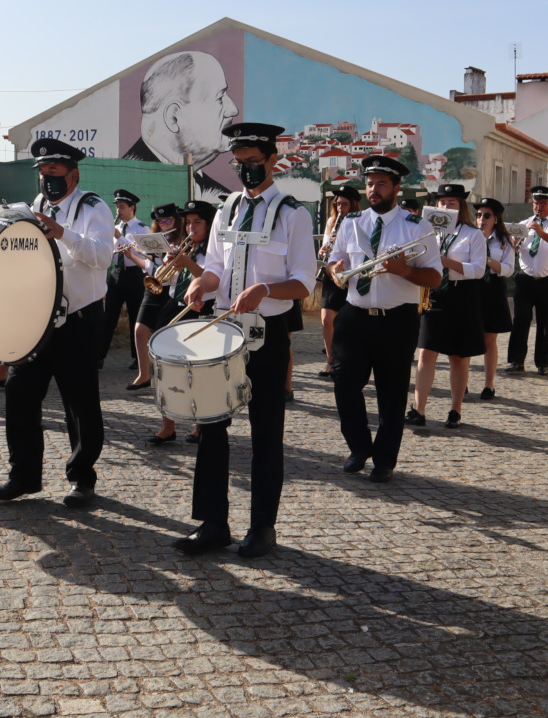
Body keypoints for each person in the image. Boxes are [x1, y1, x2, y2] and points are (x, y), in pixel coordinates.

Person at [171, 123, 316, 559]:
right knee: (211, 426)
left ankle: (262, 528)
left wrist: (266, 291)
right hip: (222, 331)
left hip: (266, 336)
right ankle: (213, 523)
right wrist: (202, 286)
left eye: (254, 163)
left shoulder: (294, 213)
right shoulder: (227, 209)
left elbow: (304, 282)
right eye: (240, 164)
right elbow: (215, 265)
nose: (246, 171)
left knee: (266, 432)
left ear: (273, 160)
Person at [0, 137, 112, 509]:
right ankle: (23, 475)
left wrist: (63, 234)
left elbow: (104, 256)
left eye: (54, 172)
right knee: (19, 392)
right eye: (42, 173)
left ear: (72, 174)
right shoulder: (35, 206)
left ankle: (82, 478)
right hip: (37, 317)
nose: (47, 179)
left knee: (79, 401)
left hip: (79, 317)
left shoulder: (94, 207)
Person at [327, 156, 442, 483]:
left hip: (397, 320)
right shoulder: (351, 222)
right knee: (344, 384)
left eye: (381, 184)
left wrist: (404, 270)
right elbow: (337, 261)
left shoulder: (416, 226)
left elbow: (434, 277)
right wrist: (335, 271)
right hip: (354, 315)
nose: (373, 189)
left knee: (392, 394)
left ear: (395, 187)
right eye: (370, 183)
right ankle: (359, 447)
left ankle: (384, 460)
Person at [407, 185, 487, 429]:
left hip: (462, 295)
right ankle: (418, 409)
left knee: (458, 357)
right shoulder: (428, 233)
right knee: (426, 352)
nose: (446, 207)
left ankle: (455, 409)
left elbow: (479, 269)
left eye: (451, 203)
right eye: (442, 203)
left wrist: (446, 261)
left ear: (460, 206)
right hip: (435, 294)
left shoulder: (473, 234)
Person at [145, 200, 217, 446]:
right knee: (165, 365)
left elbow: (212, 279)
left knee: (197, 370)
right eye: (187, 223)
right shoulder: (185, 247)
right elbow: (164, 282)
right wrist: (169, 263)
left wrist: (187, 263)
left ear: (209, 225)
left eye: (197, 223)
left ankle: (199, 425)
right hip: (175, 304)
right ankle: (168, 425)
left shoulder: (214, 251)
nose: (191, 228)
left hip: (202, 308)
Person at [123, 51, 239, 200]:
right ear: (173, 117)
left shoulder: (224, 198)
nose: (233, 110)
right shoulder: (124, 190)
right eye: (220, 98)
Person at [506, 185, 548, 376]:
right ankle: (516, 361)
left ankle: (542, 363)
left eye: (543, 203)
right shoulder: (524, 223)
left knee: (545, 322)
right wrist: (516, 242)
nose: (538, 207)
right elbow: (511, 249)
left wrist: (542, 233)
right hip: (525, 280)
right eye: (536, 203)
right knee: (520, 320)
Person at [128, 202, 184, 391]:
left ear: (176, 219)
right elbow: (150, 267)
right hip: (154, 286)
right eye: (160, 222)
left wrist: (161, 254)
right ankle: (144, 375)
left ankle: (170, 374)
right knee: (140, 331)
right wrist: (134, 253)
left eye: (168, 220)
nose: (165, 224)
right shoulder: (154, 239)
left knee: (165, 336)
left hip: (171, 291)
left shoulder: (183, 238)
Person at [100, 189, 147, 369]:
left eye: (122, 207)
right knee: (108, 316)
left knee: (136, 316)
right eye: (117, 208)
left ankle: (138, 358)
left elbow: (136, 250)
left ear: (132, 208)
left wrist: (119, 237)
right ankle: (99, 356)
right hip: (116, 273)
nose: (118, 211)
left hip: (134, 274)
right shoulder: (116, 228)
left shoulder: (141, 228)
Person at [317, 186, 360, 379]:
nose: (340, 207)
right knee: (327, 319)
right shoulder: (332, 221)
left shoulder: (359, 222)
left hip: (352, 274)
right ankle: (330, 360)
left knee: (350, 322)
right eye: (338, 203)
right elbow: (328, 247)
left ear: (353, 205)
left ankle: (350, 361)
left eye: (344, 204)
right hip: (332, 274)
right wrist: (323, 251)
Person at [475, 198, 515, 399]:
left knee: (489, 339)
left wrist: (488, 260)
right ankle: (460, 381)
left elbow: (508, 270)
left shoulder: (504, 241)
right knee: (463, 336)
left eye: (486, 215)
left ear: (496, 219)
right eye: (479, 215)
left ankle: (489, 385)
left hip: (493, 289)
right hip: (472, 288)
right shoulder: (469, 237)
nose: (481, 219)